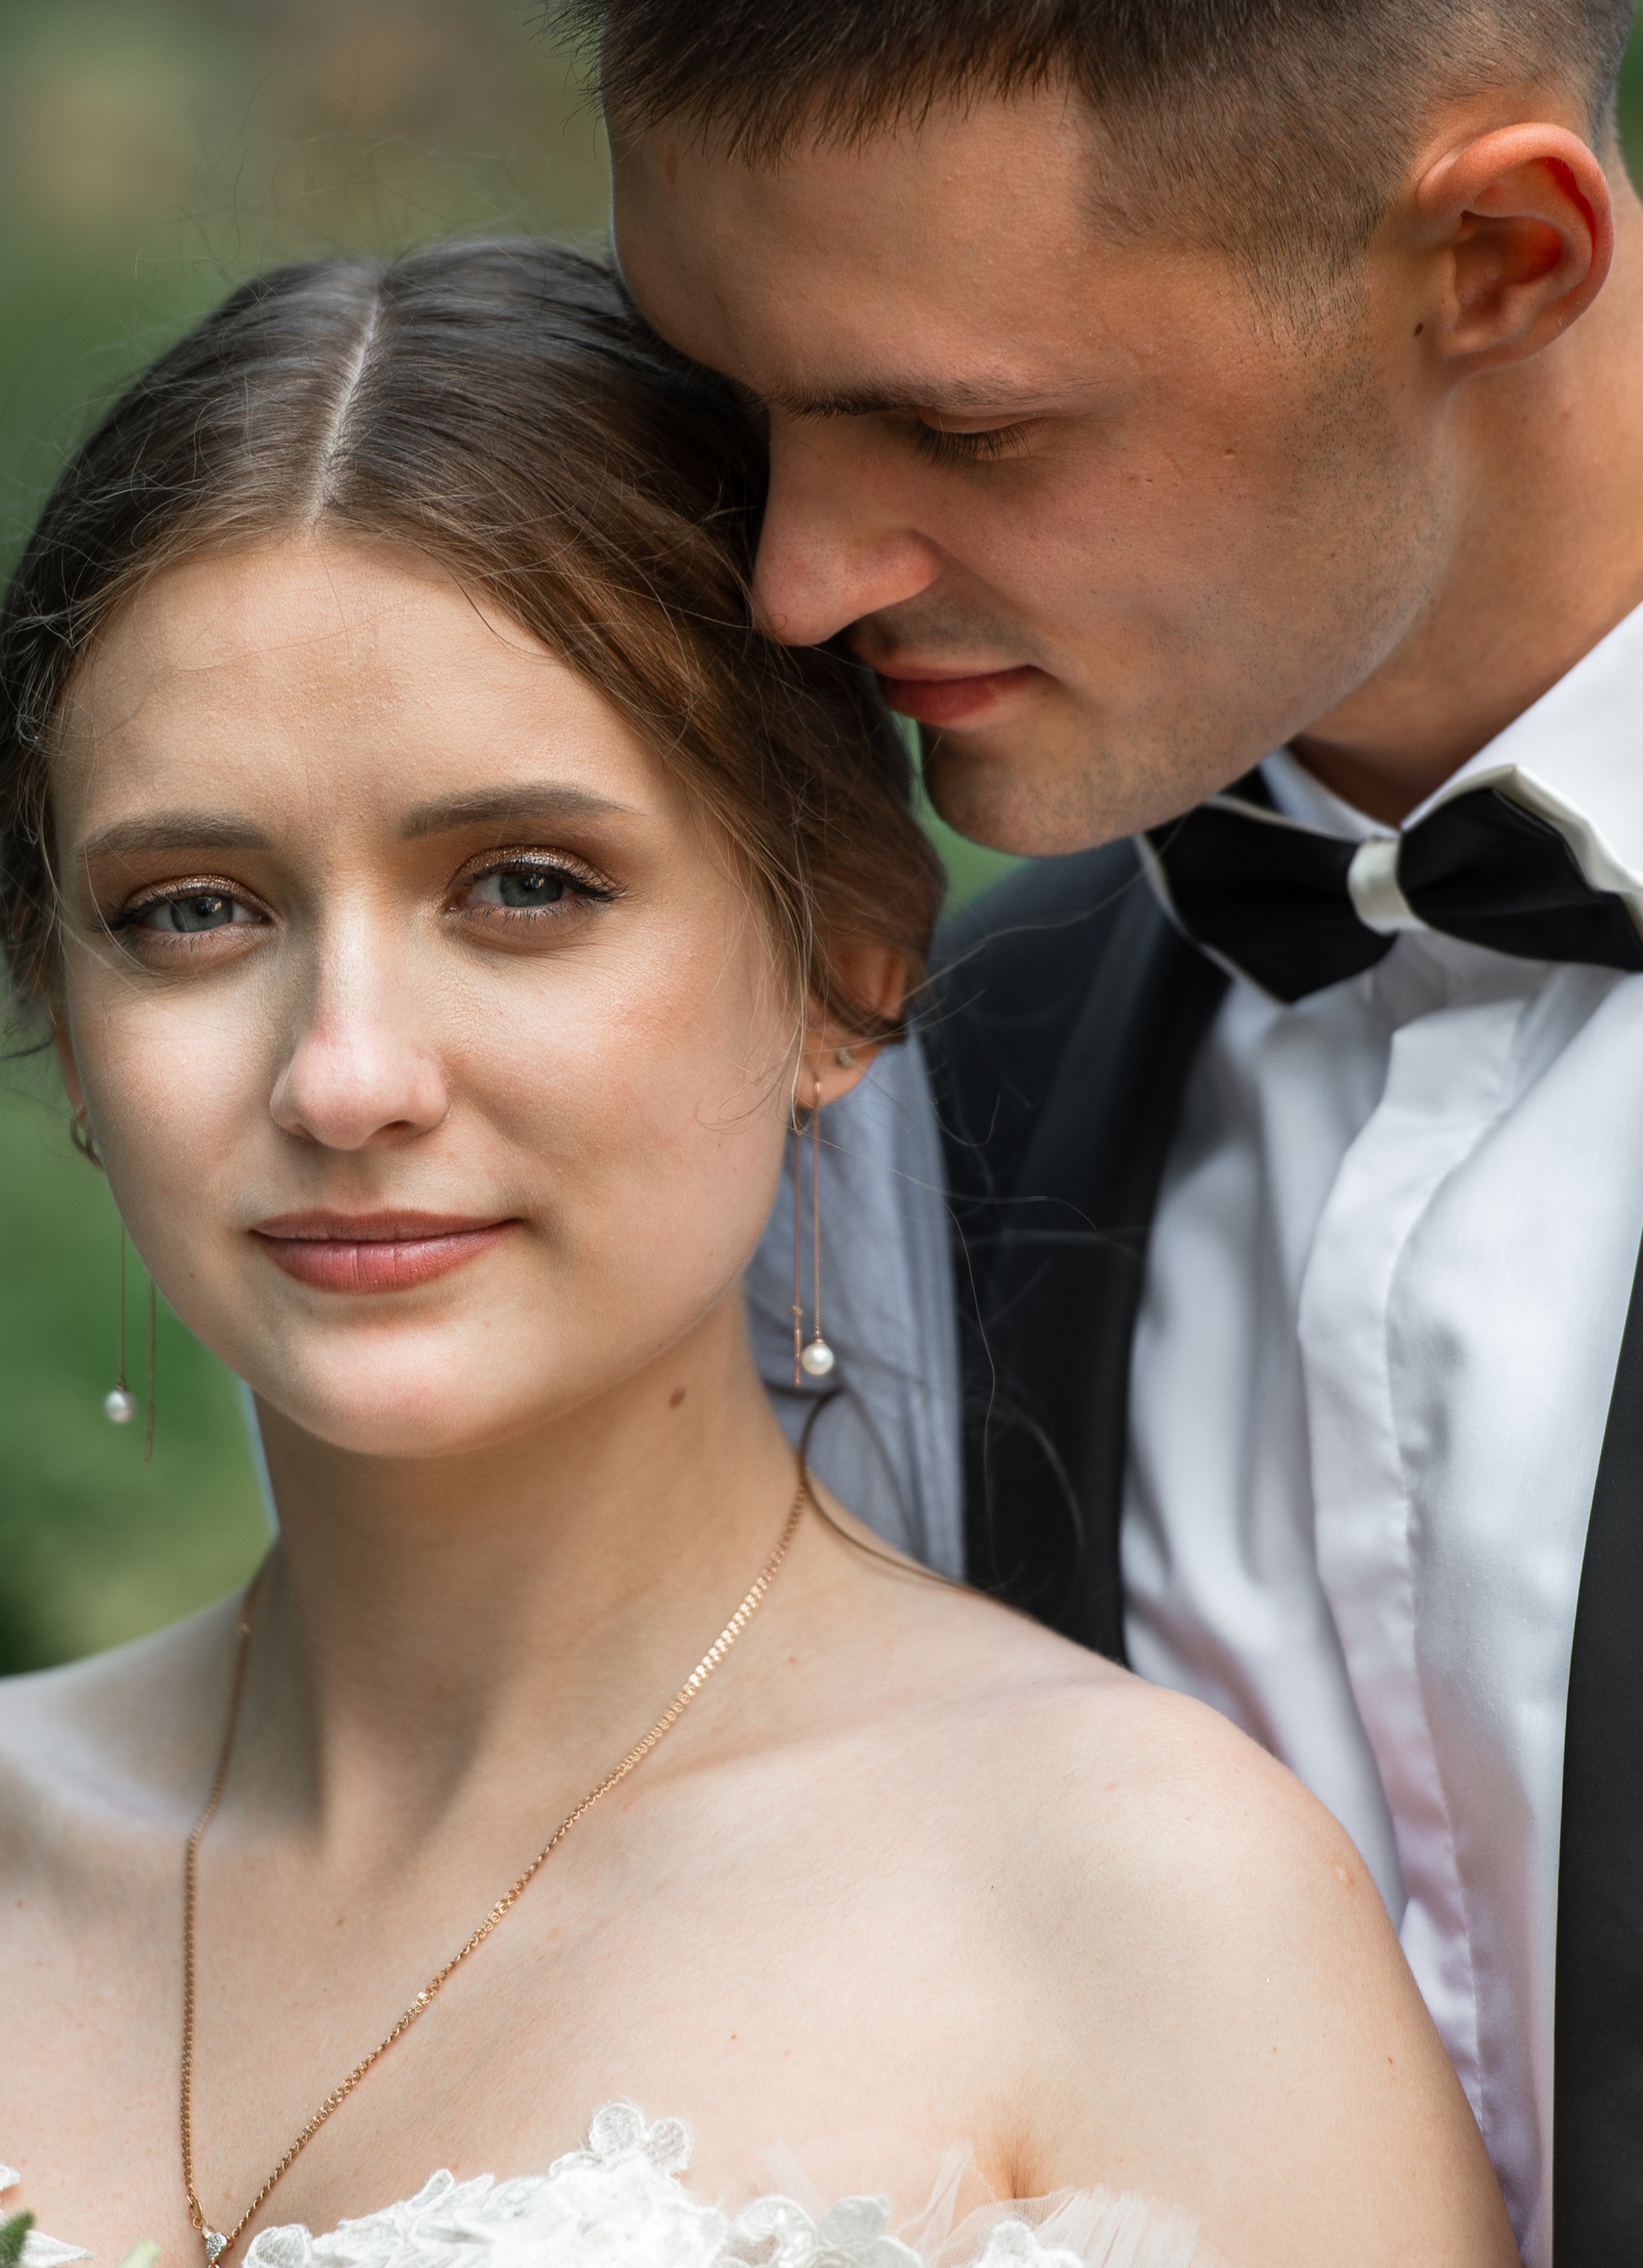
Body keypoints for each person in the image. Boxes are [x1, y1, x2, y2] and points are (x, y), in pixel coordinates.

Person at [0, 244, 1516, 2268]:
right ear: (61, 1005)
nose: (347, 1072)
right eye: (193, 909)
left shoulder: (1135, 1908)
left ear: (840, 964)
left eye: (526, 886)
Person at [592, 6, 1643, 2264]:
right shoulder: (903, 1086)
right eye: (730, 407)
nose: (794, 578)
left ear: (1496, 260)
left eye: (961, 425)